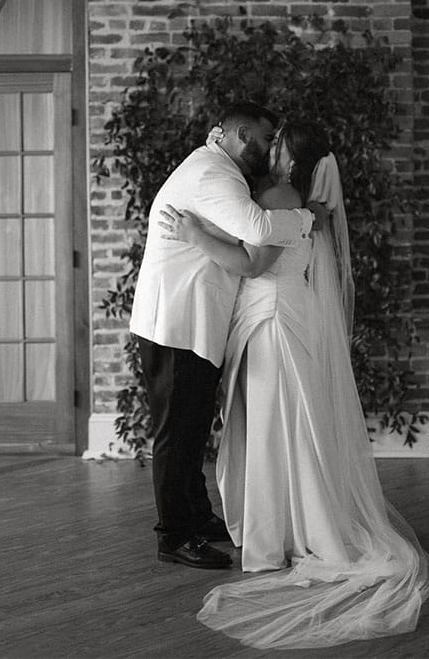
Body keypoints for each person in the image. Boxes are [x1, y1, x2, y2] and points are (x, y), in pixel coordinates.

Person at [159, 119, 429, 649]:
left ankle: (276, 536)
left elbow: (253, 262)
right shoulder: (293, 197)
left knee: (271, 422)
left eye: (275, 140)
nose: (269, 146)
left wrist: (195, 234)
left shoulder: (282, 192)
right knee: (280, 422)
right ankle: (288, 526)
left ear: (287, 153)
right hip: (280, 312)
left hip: (274, 316)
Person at [129, 102, 328, 571]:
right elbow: (257, 230)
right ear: (238, 135)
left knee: (191, 428)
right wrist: (307, 219)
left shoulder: (225, 173)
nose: (265, 149)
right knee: (176, 434)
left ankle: (196, 517)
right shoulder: (213, 174)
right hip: (176, 322)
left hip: (195, 321)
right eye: (262, 140)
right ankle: (174, 535)